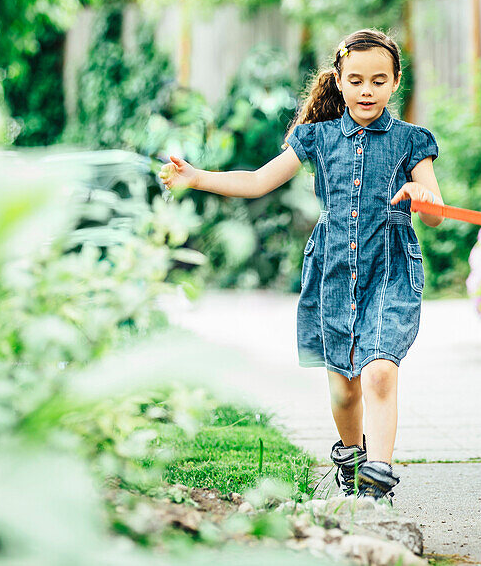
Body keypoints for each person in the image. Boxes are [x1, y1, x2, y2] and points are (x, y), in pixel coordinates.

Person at [159, 28, 444, 500]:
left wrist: (422, 195)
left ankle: (378, 478)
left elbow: (434, 217)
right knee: (344, 388)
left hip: (390, 269)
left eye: (378, 80)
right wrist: (197, 177)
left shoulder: (413, 142)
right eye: (356, 80)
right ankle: (351, 458)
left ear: (396, 83)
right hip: (332, 271)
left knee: (378, 370)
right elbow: (256, 182)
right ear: (339, 81)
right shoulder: (316, 137)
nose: (367, 90)